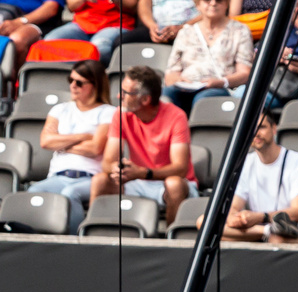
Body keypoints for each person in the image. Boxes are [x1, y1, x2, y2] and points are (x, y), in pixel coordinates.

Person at [93, 64, 196, 224]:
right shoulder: (120, 114)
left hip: (169, 182)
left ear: (146, 99)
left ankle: (172, 243)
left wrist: (143, 173)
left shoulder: (176, 116)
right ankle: (95, 237)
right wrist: (116, 169)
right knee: (100, 181)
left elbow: (180, 169)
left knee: (174, 184)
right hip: (138, 180)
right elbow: (107, 161)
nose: (120, 96)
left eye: (126, 93)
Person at [209, 110, 298, 244]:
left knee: (276, 238)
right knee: (205, 223)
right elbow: (234, 204)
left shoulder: (297, 161)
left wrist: (260, 217)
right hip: (265, 231)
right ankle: (265, 232)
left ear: (274, 128)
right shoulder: (246, 162)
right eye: (251, 129)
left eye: (262, 127)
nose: (256, 133)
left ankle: (267, 232)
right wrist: (233, 217)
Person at [29, 59, 115, 235]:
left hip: (90, 177)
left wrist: (60, 143)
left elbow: (95, 148)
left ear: (95, 85)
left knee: (71, 193)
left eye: (79, 82)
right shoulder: (59, 109)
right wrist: (82, 137)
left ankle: (76, 240)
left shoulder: (108, 112)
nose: (73, 86)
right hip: (58, 176)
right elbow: (45, 142)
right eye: (71, 80)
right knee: (34, 191)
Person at [161, 0, 251, 113]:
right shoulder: (186, 32)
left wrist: (221, 82)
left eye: (219, 0)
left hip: (219, 87)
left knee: (203, 99)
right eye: (207, 0)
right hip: (186, 86)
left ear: (226, 4)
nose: (213, 3)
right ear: (198, 4)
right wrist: (179, 80)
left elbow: (244, 73)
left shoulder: (240, 30)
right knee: (166, 95)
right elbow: (171, 72)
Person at [45, 0, 143, 63]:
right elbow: (72, 6)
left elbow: (132, 7)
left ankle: (97, 84)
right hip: (83, 23)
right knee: (49, 42)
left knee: (99, 48)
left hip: (115, 24)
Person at [0, 0, 64, 75]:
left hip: (36, 21)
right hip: (4, 14)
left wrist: (19, 22)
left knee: (16, 40)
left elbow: (51, 8)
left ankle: (14, 84)